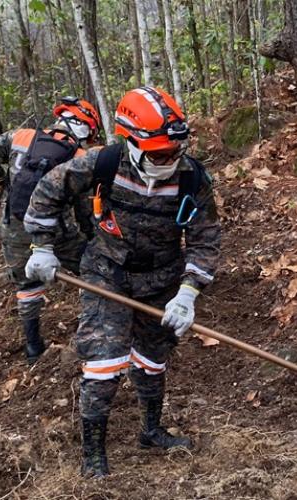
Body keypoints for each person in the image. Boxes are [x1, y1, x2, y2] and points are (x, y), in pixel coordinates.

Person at [22, 87, 221, 478]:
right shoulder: (104, 163)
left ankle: (151, 430)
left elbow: (205, 239)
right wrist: (41, 245)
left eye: (175, 152)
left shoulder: (193, 179)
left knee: (152, 358)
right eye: (161, 154)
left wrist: (189, 291)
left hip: (162, 279)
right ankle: (93, 452)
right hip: (107, 273)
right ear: (134, 143)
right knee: (105, 360)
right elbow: (47, 191)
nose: (170, 160)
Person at [0, 97, 102, 364]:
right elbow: (83, 207)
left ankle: (33, 347)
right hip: (57, 231)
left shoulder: (20, 136)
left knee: (27, 285)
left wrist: (2, 181)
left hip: (14, 225)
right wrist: (92, 237)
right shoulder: (79, 158)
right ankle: (97, 328)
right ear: (85, 127)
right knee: (93, 271)